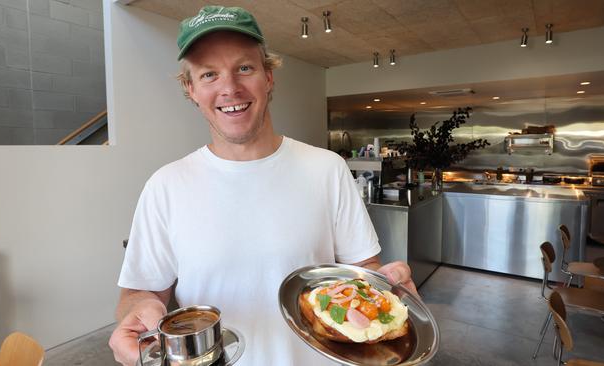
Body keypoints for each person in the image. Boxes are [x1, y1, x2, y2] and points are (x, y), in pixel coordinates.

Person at [108, 5, 417, 366]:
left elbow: (365, 273)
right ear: (190, 89)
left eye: (244, 68)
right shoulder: (166, 185)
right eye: (209, 74)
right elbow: (138, 292)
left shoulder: (327, 169)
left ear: (268, 77)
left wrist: (389, 293)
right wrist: (142, 307)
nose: (230, 88)